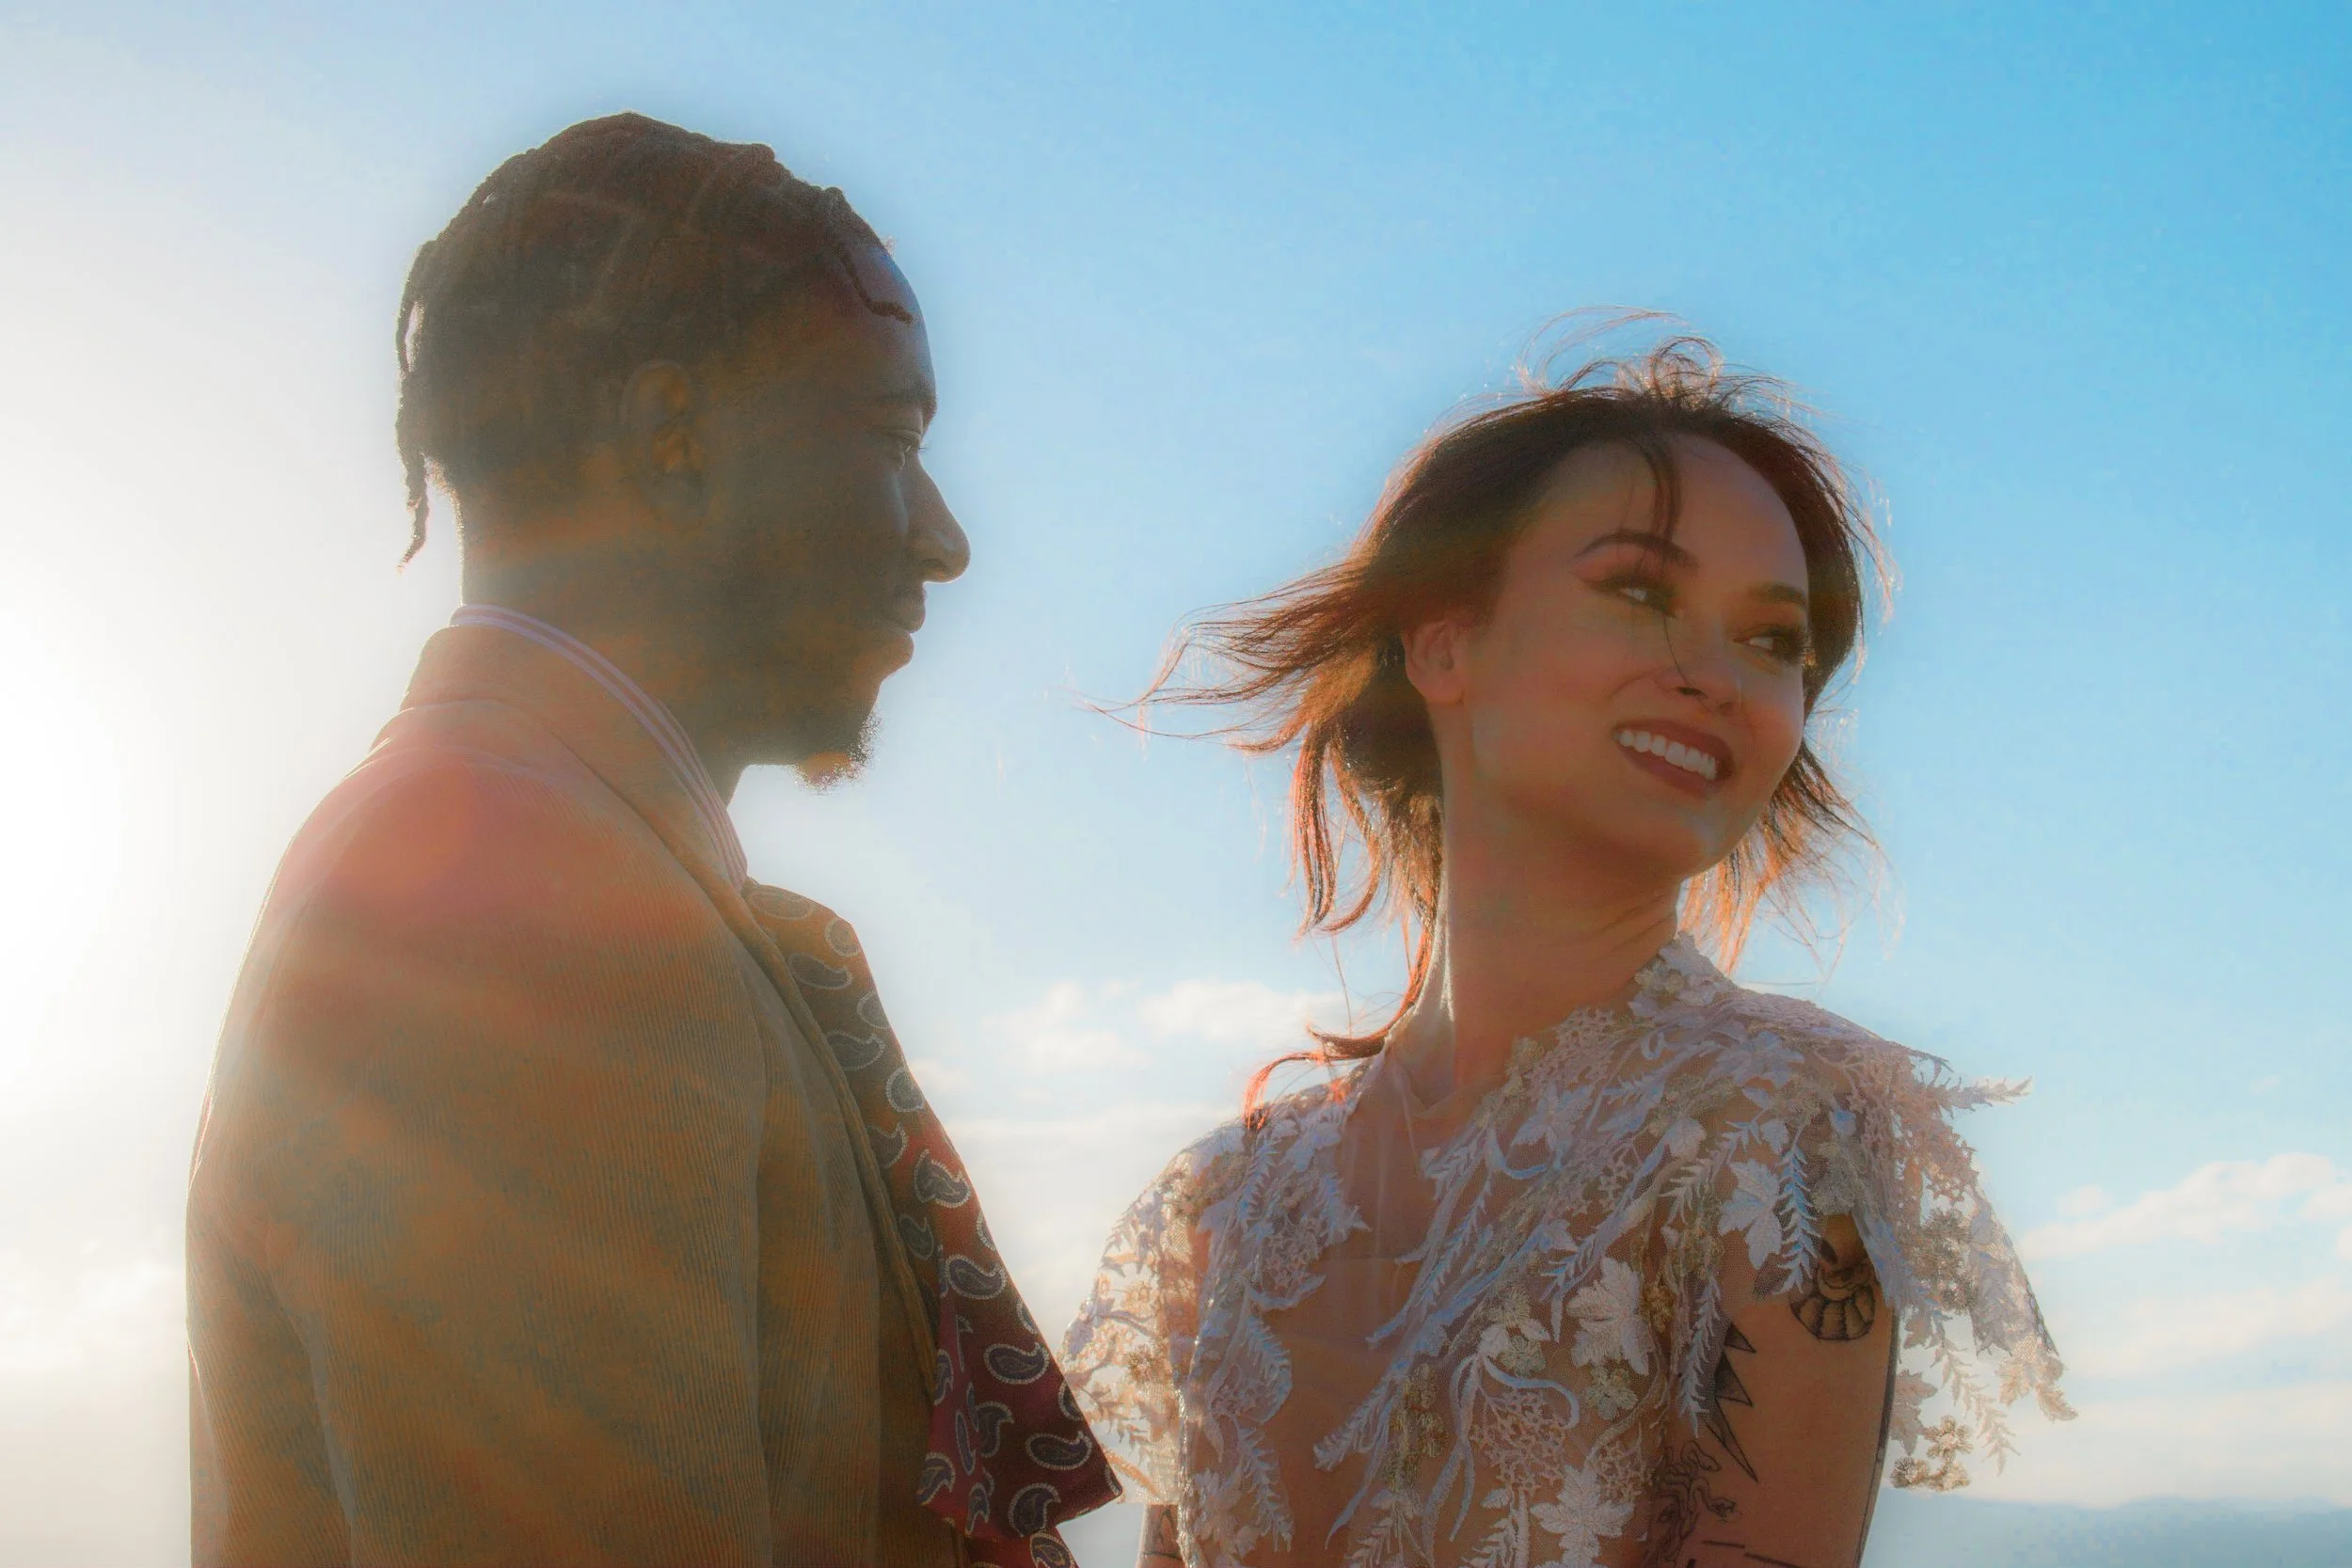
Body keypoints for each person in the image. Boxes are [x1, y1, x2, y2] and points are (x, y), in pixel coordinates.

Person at [187, 114, 1116, 1568]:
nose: (944, 537)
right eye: (888, 436)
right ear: (673, 438)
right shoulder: (506, 891)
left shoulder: (577, 861)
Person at [1062, 338, 2071, 1568]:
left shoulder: (1779, 1128)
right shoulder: (1229, 1203)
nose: (1716, 676)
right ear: (1445, 642)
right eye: (1642, 592)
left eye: (1771, 642)